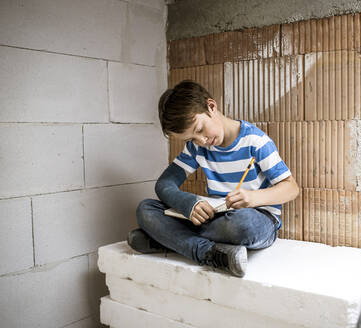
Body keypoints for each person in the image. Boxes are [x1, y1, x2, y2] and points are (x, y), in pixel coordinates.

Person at [127, 80, 299, 277]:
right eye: (191, 139)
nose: (201, 141)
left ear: (211, 106)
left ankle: (167, 239)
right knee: (146, 209)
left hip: (257, 221)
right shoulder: (197, 148)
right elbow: (164, 184)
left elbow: (291, 188)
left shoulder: (255, 142)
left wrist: (253, 198)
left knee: (241, 224)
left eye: (200, 130)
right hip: (215, 219)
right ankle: (207, 252)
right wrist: (188, 204)